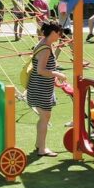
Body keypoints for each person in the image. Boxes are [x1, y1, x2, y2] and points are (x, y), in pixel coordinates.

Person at [26, 22, 66, 157]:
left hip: (41, 86)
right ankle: (42, 148)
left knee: (44, 117)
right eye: (59, 32)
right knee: (45, 117)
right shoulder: (45, 48)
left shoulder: (44, 44)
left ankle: (39, 144)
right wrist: (57, 74)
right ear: (53, 33)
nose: (60, 35)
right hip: (40, 87)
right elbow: (41, 70)